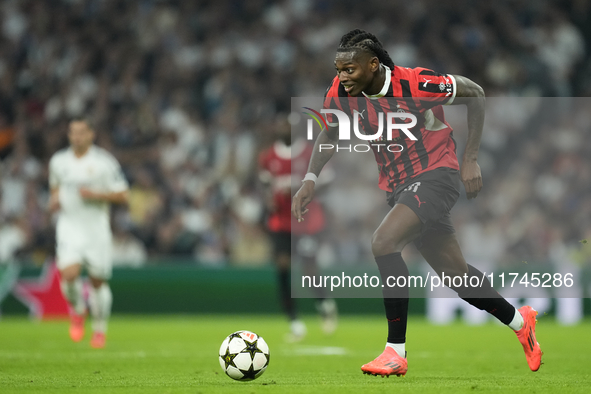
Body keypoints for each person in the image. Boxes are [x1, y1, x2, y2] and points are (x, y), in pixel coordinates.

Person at [292, 29, 542, 376]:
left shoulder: (416, 83)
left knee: (383, 242)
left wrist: (470, 158)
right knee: (457, 276)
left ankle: (395, 351)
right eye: (338, 70)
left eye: (349, 70)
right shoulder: (341, 93)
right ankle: (520, 322)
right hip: (398, 186)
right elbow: (331, 130)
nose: (341, 77)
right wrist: (309, 179)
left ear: (373, 65)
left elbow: (476, 93)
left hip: (437, 175)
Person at [49, 118, 129, 348]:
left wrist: (96, 195)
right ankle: (77, 309)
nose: (77, 137)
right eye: (73, 132)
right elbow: (55, 190)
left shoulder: (104, 163)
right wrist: (53, 201)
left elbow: (124, 195)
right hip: (69, 227)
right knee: (69, 274)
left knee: (97, 281)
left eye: (81, 132)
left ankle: (99, 329)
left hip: (96, 230)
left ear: (91, 134)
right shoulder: (58, 161)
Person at [259, 116, 337, 342]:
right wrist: (269, 199)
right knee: (282, 266)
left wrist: (303, 189)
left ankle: (324, 303)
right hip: (281, 222)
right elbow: (265, 183)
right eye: (281, 124)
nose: (284, 128)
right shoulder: (269, 156)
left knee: (308, 268)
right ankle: (294, 321)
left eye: (289, 124)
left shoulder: (310, 152)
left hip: (307, 221)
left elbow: (328, 180)